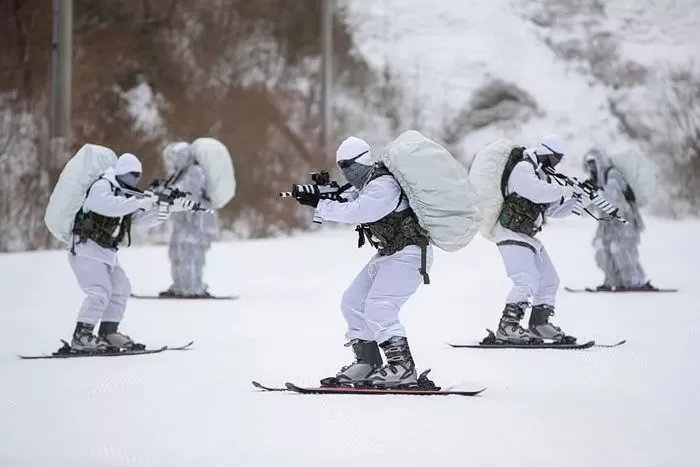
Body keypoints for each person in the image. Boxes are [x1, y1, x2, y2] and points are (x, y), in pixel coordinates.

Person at [295, 136, 433, 387]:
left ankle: (402, 367)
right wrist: (319, 197)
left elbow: (360, 211)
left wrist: (322, 205)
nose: (345, 171)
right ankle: (368, 362)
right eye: (341, 166)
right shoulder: (367, 185)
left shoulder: (384, 186)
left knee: (380, 306)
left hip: (410, 254)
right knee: (353, 302)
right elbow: (350, 200)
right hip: (390, 255)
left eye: (347, 165)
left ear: (361, 161)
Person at [69, 153, 189, 352]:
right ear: (121, 171)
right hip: (85, 248)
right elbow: (106, 206)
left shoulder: (124, 193)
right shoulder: (102, 186)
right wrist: (140, 202)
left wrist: (167, 208)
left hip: (106, 253)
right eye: (132, 174)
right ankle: (81, 335)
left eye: (137, 175)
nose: (135, 179)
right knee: (100, 291)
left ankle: (108, 332)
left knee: (121, 288)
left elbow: (140, 219)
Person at [491, 134, 581, 344]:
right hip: (510, 233)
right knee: (526, 279)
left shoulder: (542, 176)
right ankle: (508, 327)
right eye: (554, 158)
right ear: (545, 153)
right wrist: (564, 188)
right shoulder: (524, 168)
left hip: (527, 236)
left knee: (549, 280)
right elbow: (537, 193)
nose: (555, 164)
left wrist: (576, 200)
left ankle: (539, 325)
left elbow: (553, 210)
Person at [583, 148, 652, 291]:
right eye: (589, 163)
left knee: (620, 249)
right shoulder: (594, 180)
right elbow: (590, 205)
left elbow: (615, 198)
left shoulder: (612, 175)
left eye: (593, 162)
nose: (591, 166)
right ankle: (612, 280)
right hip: (606, 223)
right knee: (602, 247)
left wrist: (597, 193)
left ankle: (634, 280)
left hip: (624, 220)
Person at [158, 142, 219, 298]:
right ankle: (179, 285)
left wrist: (167, 191)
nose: (171, 162)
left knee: (190, 256)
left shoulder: (195, 172)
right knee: (176, 255)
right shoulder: (179, 173)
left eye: (174, 158)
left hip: (194, 223)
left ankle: (193, 287)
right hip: (182, 223)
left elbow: (188, 193)